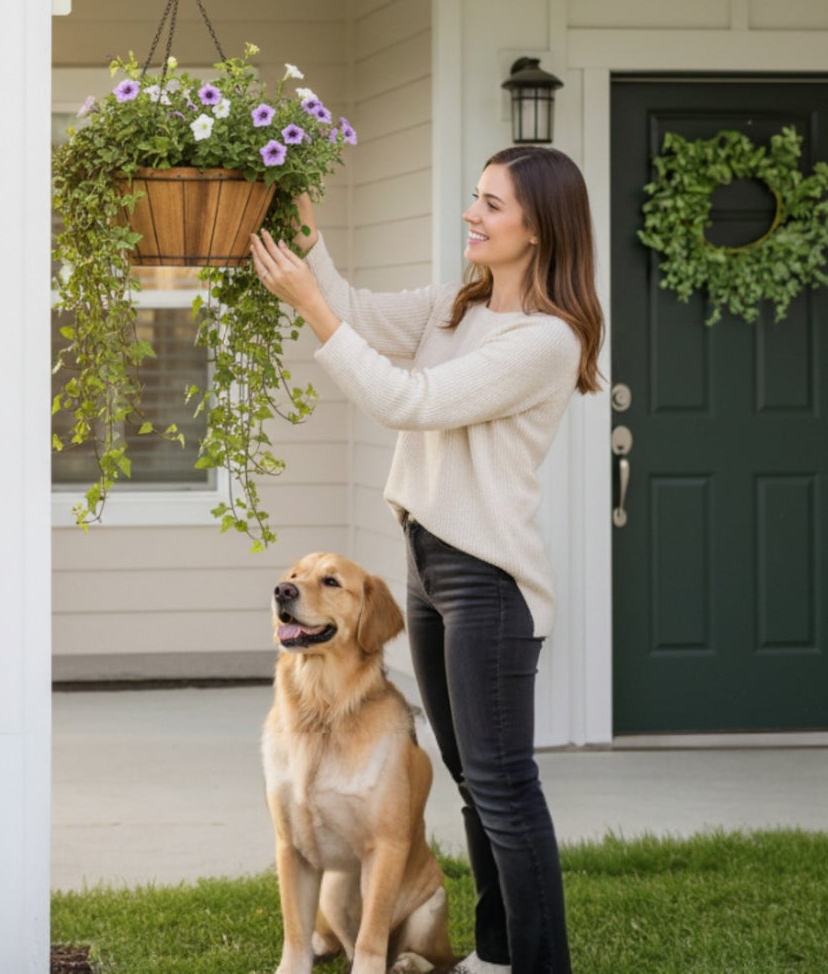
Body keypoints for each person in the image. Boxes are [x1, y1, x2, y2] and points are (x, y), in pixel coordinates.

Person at [249, 146, 604, 974]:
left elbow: (410, 400)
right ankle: (497, 952)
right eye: (475, 196)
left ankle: (538, 964)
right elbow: (356, 313)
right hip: (427, 560)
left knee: (503, 784)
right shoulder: (457, 305)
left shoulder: (544, 340)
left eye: (492, 203)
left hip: (488, 581)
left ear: (539, 227)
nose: (471, 213)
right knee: (473, 780)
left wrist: (310, 306)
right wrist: (310, 247)